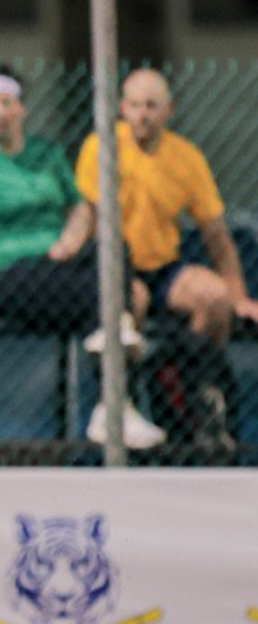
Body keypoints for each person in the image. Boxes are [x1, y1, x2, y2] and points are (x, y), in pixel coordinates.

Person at [0, 67, 165, 450]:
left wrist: (71, 239)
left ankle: (113, 394)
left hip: (56, 264)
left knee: (113, 254)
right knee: (120, 298)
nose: (0, 112)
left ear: (21, 109)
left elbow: (81, 209)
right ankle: (114, 402)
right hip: (3, 272)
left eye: (7, 103)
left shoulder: (46, 155)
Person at [75, 67, 256, 458]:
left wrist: (239, 295)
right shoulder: (101, 146)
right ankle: (123, 405)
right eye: (136, 105)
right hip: (118, 269)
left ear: (169, 110)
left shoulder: (186, 157)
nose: (143, 114)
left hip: (165, 267)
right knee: (131, 303)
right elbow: (87, 217)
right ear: (122, 108)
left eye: (152, 106)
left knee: (213, 297)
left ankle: (198, 390)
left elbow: (216, 235)